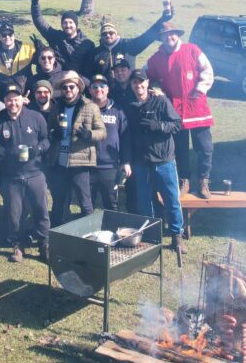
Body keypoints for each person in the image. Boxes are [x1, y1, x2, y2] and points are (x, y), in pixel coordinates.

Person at [145, 20, 216, 198]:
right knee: (180, 148)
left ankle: (203, 180)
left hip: (197, 106)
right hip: (174, 110)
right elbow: (143, 76)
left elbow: (207, 71)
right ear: (160, 37)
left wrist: (199, 90)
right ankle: (184, 180)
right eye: (165, 35)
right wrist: (153, 90)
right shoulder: (157, 58)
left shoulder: (192, 49)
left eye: (172, 33)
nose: (169, 37)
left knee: (205, 147)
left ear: (178, 34)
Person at [122, 69, 186, 253]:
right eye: (135, 82)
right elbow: (126, 136)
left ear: (147, 82)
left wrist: (158, 126)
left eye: (141, 82)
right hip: (142, 163)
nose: (138, 85)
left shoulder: (161, 101)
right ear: (131, 85)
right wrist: (127, 160)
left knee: (172, 199)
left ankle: (177, 235)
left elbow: (177, 124)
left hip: (165, 160)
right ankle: (150, 234)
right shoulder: (130, 107)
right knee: (144, 201)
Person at [0, 84, 52, 262]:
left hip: (35, 174)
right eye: (9, 99)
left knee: (41, 210)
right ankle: (17, 246)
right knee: (14, 213)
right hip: (12, 177)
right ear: (5, 101)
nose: (12, 103)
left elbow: (46, 140)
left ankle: (44, 244)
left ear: (22, 99)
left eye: (16, 99)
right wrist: (3, 153)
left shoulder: (36, 117)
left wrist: (37, 149)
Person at [45, 70, 107, 226]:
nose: (68, 91)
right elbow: (48, 130)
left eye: (71, 87)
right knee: (59, 201)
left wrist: (89, 135)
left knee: (85, 202)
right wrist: (54, 133)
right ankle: (57, 235)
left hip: (80, 161)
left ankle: (91, 235)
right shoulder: (56, 106)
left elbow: (102, 132)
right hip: (60, 160)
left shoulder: (90, 107)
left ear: (78, 88)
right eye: (65, 88)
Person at [84, 0, 174, 79]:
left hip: (128, 91)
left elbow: (147, 36)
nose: (108, 35)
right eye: (104, 34)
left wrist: (163, 19)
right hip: (105, 94)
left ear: (117, 34)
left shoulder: (128, 45)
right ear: (101, 36)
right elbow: (89, 75)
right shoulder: (95, 53)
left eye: (111, 33)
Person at [88, 75, 128, 212]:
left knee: (111, 205)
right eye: (95, 87)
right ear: (90, 90)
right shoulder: (84, 109)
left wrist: (125, 161)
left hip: (110, 166)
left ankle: (112, 232)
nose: (98, 89)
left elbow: (125, 137)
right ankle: (86, 232)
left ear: (108, 89)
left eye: (102, 86)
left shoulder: (118, 110)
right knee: (87, 206)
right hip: (88, 165)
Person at [30, 0, 95, 71]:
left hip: (77, 80)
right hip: (56, 77)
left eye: (71, 22)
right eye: (65, 23)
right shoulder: (55, 37)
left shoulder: (87, 44)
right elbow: (39, 21)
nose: (68, 25)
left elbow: (90, 68)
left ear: (76, 24)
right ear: (62, 25)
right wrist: (35, 4)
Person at [0, 22, 35, 94]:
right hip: (1, 97)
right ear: (0, 37)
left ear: (14, 36)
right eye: (4, 35)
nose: (7, 37)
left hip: (24, 96)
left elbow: (44, 61)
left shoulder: (27, 49)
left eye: (10, 34)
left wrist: (40, 48)